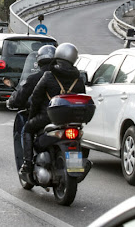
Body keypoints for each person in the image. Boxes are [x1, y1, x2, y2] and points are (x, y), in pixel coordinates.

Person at [19, 43, 86, 178]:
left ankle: (27, 164)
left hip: (48, 117)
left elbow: (36, 98)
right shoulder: (78, 78)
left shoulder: (49, 76)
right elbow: (82, 98)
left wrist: (32, 116)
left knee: (27, 129)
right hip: (72, 120)